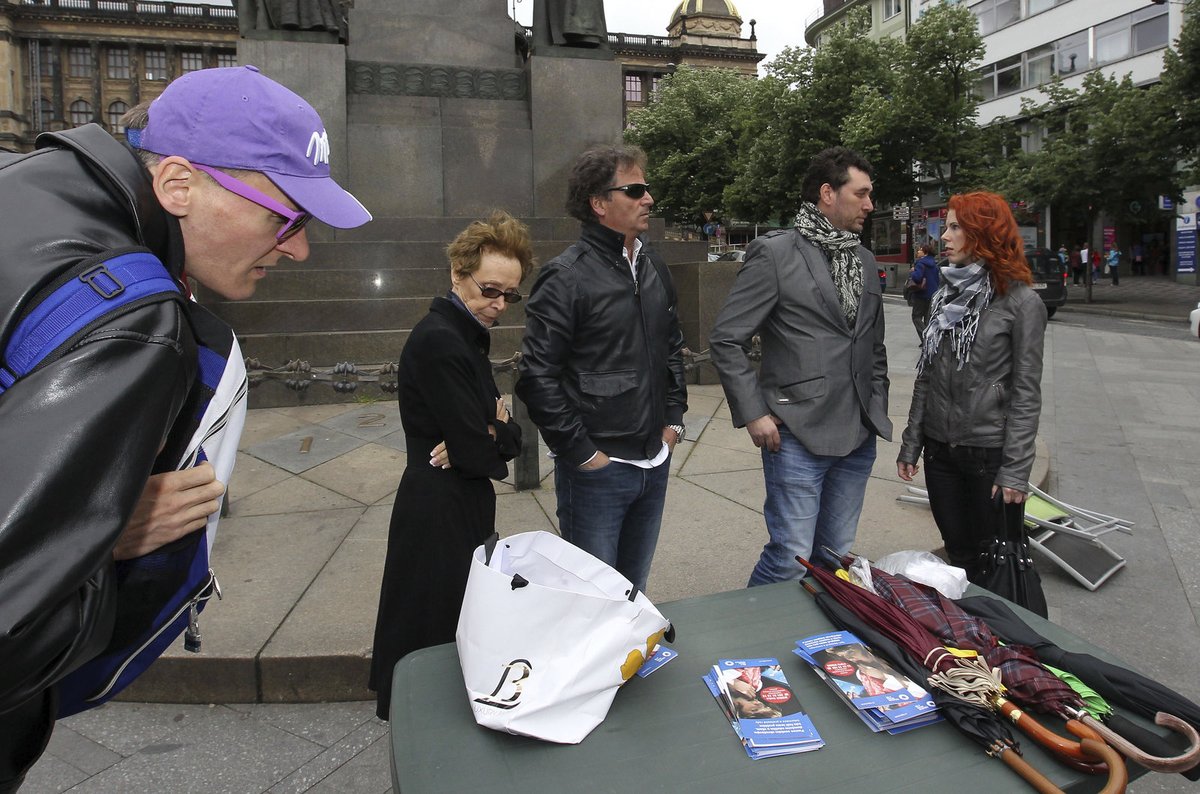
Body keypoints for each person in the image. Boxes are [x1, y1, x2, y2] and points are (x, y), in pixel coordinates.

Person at [0, 64, 370, 791]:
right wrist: (94, 538)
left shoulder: (29, 193)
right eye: (284, 216)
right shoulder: (136, 322)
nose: (298, 248)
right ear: (176, 186)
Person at [369, 211, 532, 721]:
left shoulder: (462, 335)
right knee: (433, 631)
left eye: (510, 295)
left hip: (454, 501)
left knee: (451, 630)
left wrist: (493, 431)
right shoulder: (442, 339)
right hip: (438, 509)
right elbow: (484, 451)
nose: (499, 305)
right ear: (457, 275)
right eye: (489, 290)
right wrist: (493, 430)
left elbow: (497, 440)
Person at [709, 146, 891, 585]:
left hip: (858, 435)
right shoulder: (775, 253)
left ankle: (814, 647)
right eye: (862, 194)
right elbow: (726, 338)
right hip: (795, 435)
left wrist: (877, 404)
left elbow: (873, 346)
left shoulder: (864, 260)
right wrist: (753, 413)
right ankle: (755, 642)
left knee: (834, 559)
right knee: (790, 558)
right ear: (828, 193)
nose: (870, 205)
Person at [516, 144, 688, 593]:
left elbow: (672, 347)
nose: (648, 198)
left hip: (655, 459)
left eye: (647, 188)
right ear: (598, 203)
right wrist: (583, 455)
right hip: (599, 471)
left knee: (633, 595)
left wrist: (673, 421)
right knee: (591, 601)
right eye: (634, 189)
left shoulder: (653, 267)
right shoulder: (565, 277)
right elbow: (536, 377)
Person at [896, 191, 1046, 582]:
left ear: (984, 233)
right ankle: (968, 636)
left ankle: (1001, 636)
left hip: (987, 455)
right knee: (958, 555)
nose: (944, 236)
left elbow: (1027, 392)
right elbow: (926, 375)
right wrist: (912, 443)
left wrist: (1015, 470)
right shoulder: (945, 296)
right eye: (946, 226)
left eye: (955, 227)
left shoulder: (1021, 302)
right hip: (940, 452)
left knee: (991, 561)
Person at [909, 243, 940, 341]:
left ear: (925, 252)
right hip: (932, 294)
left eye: (920, 250)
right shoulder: (934, 263)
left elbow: (917, 278)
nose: (918, 252)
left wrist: (913, 271)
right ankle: (929, 338)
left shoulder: (920, 263)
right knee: (927, 318)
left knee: (916, 317)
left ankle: (926, 337)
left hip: (921, 294)